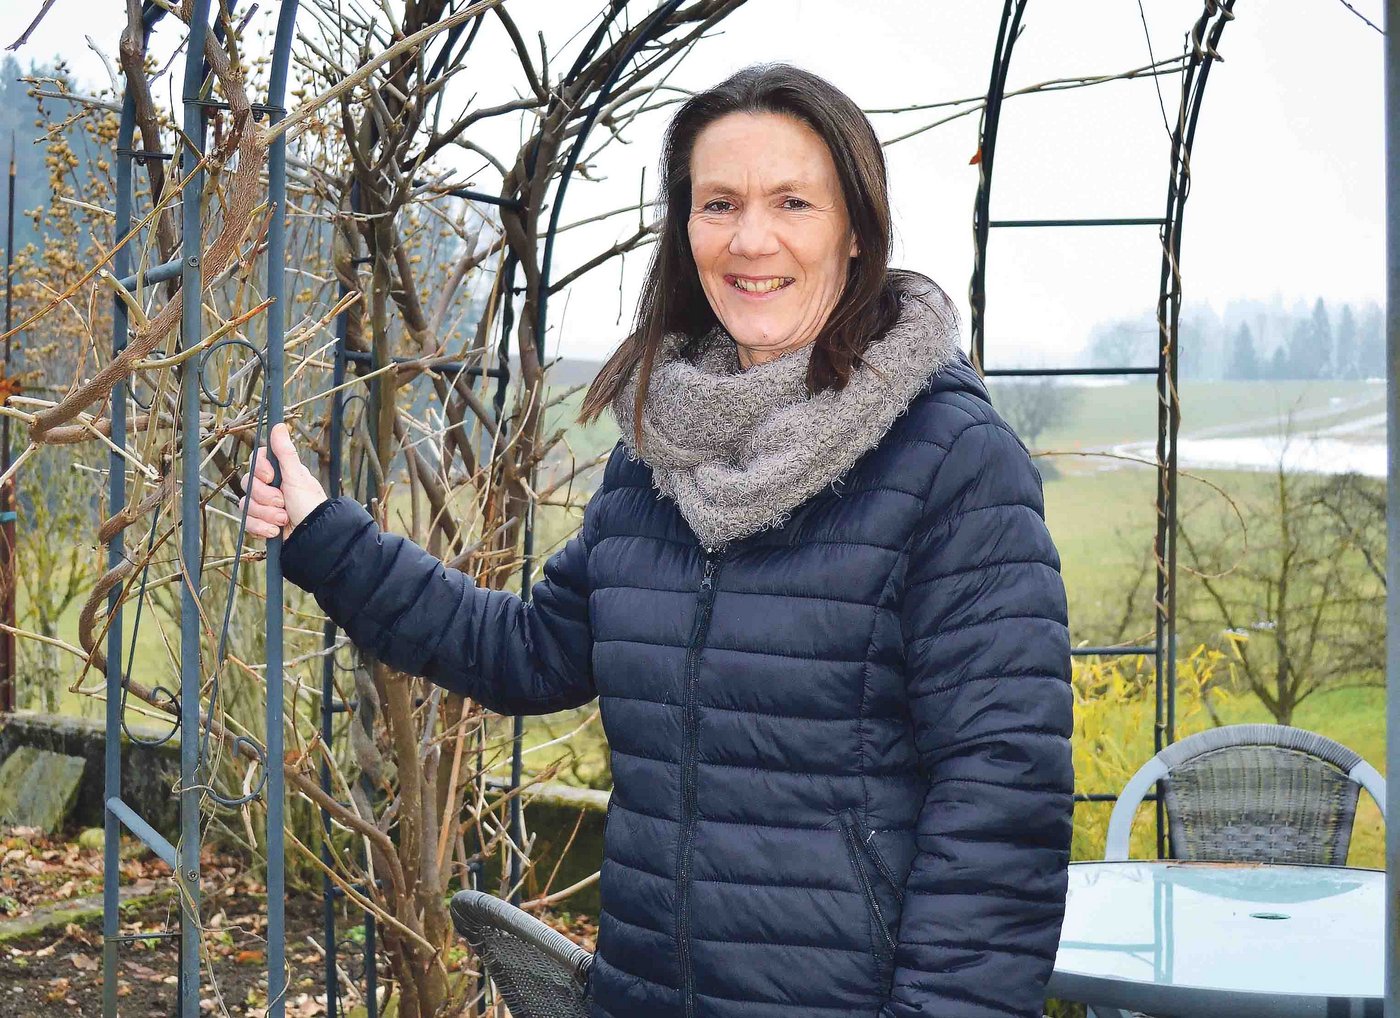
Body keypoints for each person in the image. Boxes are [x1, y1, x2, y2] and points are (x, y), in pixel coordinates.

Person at [244, 62, 1074, 1018]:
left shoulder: (952, 462)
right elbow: (526, 654)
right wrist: (326, 537)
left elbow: (1001, 799)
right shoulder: (659, 456)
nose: (749, 238)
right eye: (717, 202)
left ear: (856, 233)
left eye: (792, 202)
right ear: (685, 230)